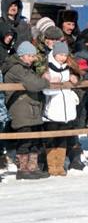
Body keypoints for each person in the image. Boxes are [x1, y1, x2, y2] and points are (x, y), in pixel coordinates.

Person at [2, 42, 51, 179]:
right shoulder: (16, 68)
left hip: (31, 108)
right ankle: (22, 170)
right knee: (25, 139)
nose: (32, 59)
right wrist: (46, 81)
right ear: (22, 55)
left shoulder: (26, 68)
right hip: (21, 109)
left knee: (34, 139)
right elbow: (34, 84)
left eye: (33, 56)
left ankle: (32, 167)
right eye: (29, 56)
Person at [41, 41, 81, 176]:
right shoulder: (47, 67)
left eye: (65, 55)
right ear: (55, 54)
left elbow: (80, 73)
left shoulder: (68, 67)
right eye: (60, 55)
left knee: (63, 138)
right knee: (52, 138)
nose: (63, 57)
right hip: (53, 109)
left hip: (66, 109)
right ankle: (52, 165)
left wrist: (75, 77)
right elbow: (45, 89)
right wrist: (53, 84)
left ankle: (60, 165)